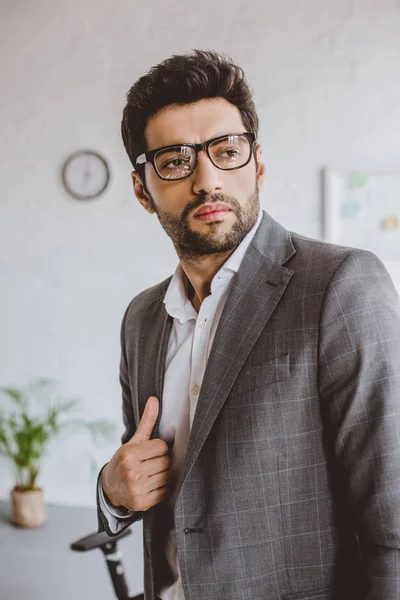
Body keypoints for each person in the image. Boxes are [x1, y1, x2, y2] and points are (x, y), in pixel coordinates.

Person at [96, 50, 400, 600]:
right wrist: (113, 493)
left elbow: (394, 517)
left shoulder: (340, 285)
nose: (207, 180)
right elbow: (141, 476)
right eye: (174, 161)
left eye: (226, 151)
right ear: (143, 189)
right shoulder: (142, 318)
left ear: (257, 163)